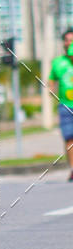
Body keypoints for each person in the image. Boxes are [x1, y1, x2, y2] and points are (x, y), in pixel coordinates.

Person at [48, 28, 73, 181]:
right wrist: (51, 91)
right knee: (69, 138)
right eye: (67, 40)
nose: (69, 43)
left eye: (72, 40)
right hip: (65, 106)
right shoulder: (58, 62)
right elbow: (52, 80)